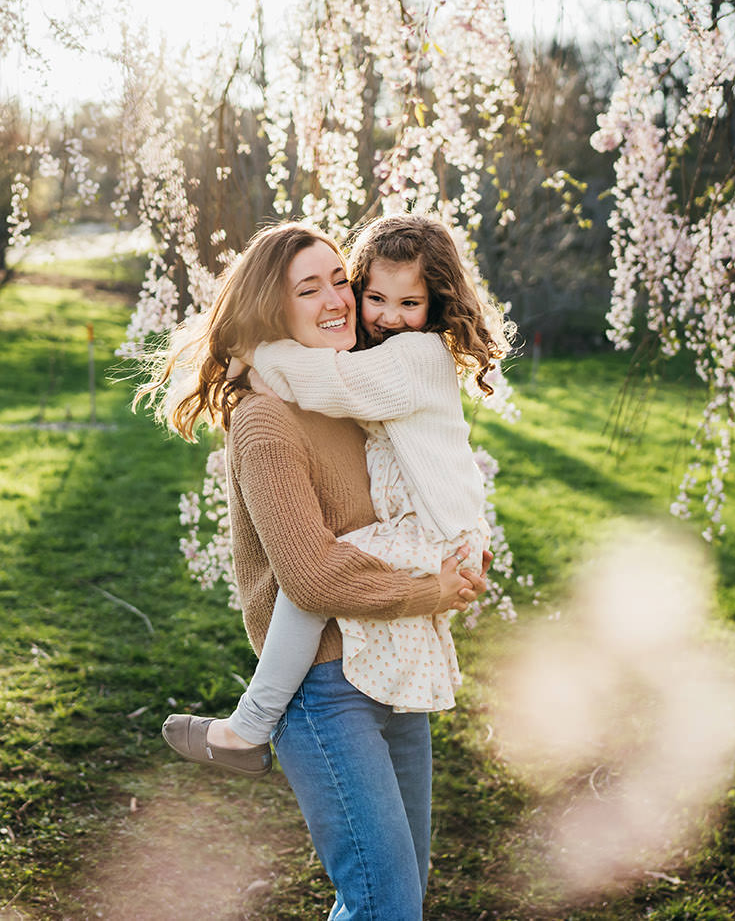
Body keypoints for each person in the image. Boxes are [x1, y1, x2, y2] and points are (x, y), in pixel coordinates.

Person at [136, 220, 487, 921]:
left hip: (394, 667)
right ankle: (249, 724)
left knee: (394, 902)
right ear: (274, 305)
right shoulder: (266, 421)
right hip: (325, 685)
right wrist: (432, 588)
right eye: (310, 287)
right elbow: (313, 577)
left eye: (338, 280)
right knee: (385, 902)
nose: (339, 299)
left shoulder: (359, 394)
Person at [165, 213, 505, 760]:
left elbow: (330, 383)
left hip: (434, 533)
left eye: (410, 304)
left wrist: (254, 354)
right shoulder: (378, 360)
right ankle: (257, 725)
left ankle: (248, 727)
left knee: (320, 574)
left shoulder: (415, 356)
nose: (389, 317)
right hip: (432, 530)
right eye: (376, 297)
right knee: (318, 576)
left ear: (435, 305)